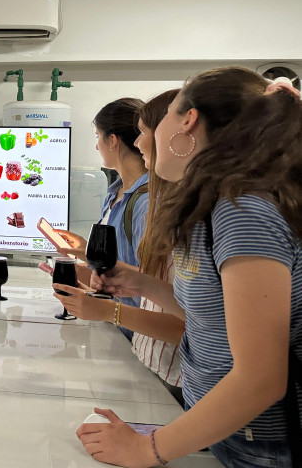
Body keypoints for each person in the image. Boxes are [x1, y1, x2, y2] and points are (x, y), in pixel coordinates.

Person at [76, 67, 301, 468]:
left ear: (188, 122)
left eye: (157, 122)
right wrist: (143, 284)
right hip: (219, 430)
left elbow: (261, 378)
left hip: (256, 444)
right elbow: (210, 320)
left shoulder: (244, 210)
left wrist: (148, 448)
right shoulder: (212, 205)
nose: (145, 139)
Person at [53, 89, 185, 404]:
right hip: (131, 333)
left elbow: (171, 297)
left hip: (144, 335)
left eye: (98, 137)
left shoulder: (149, 202)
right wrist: (88, 257)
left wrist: (108, 308)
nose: (140, 144)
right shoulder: (116, 189)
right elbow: (136, 274)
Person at [56, 98, 149, 340]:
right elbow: (112, 268)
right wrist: (84, 254)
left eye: (98, 136)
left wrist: (89, 258)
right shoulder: (113, 193)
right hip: (115, 325)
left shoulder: (146, 203)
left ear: (113, 140)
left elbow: (153, 282)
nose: (97, 146)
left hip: (138, 332)